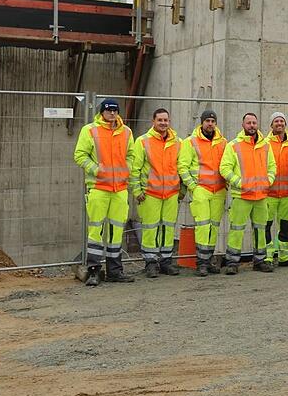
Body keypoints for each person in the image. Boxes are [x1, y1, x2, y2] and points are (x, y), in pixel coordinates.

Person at [73, 98, 135, 286]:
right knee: (96, 230)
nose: (112, 114)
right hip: (99, 188)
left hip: (120, 189)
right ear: (102, 112)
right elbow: (80, 155)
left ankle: (115, 271)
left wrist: (126, 170)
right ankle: (93, 271)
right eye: (109, 111)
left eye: (115, 111)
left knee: (116, 231)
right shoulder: (90, 130)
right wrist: (96, 170)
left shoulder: (126, 132)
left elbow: (131, 155)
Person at [220, 113, 276, 274]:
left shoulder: (266, 145)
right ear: (242, 125)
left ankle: (260, 260)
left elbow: (272, 167)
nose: (251, 125)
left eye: (254, 122)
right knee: (236, 229)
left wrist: (268, 181)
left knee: (260, 229)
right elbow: (224, 168)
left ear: (257, 124)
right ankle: (232, 262)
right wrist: (241, 183)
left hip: (261, 196)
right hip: (242, 196)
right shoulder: (233, 145)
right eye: (248, 123)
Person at [130, 108, 182, 278]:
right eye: (160, 120)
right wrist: (137, 190)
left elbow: (181, 167)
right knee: (150, 228)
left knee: (168, 228)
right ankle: (151, 262)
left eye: (166, 120)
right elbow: (135, 168)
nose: (163, 123)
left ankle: (166, 261)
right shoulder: (143, 141)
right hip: (150, 193)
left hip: (171, 193)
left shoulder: (178, 142)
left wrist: (181, 191)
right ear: (153, 121)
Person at [178, 109, 227, 277]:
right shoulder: (190, 142)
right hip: (201, 189)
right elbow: (182, 166)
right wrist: (192, 186)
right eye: (207, 121)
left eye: (213, 121)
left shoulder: (223, 142)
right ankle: (201, 263)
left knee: (214, 226)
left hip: (219, 190)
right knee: (203, 226)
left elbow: (226, 165)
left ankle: (209, 259)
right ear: (202, 122)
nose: (210, 124)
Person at [263, 112, 288, 267]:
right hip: (268, 193)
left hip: (287, 194)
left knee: (285, 227)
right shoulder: (264, 144)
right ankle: (267, 256)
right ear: (271, 125)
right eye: (276, 121)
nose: (279, 123)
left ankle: (285, 256)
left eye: (282, 121)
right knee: (266, 226)